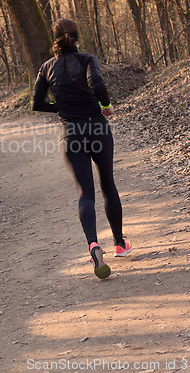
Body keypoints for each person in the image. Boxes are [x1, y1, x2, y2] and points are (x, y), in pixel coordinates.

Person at [32, 18, 133, 279]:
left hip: (71, 134)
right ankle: (120, 244)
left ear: (55, 38)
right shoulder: (88, 59)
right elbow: (97, 84)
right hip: (97, 129)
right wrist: (106, 105)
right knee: (108, 185)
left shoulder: (46, 67)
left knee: (84, 194)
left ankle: (93, 244)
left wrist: (62, 110)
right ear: (77, 37)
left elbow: (37, 103)